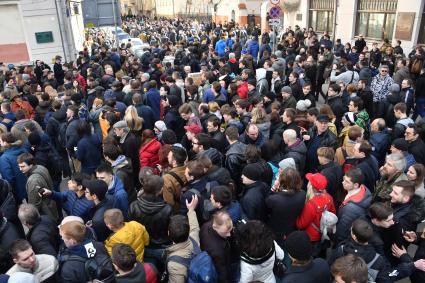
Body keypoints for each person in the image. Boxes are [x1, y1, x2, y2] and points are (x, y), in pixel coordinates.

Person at [296, 173, 336, 254]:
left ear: (311, 186)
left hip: (311, 237)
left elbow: (300, 224)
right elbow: (333, 213)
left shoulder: (311, 205)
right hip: (322, 232)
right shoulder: (329, 197)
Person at [129, 174, 172, 249]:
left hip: (143, 243)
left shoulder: (133, 206)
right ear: (160, 190)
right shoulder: (167, 209)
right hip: (162, 244)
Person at [265, 168, 306, 246]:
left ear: (282, 181)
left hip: (276, 228)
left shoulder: (274, 199)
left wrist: (274, 187)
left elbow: (267, 201)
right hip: (291, 226)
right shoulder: (303, 194)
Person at [165, 195, 200, 283]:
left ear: (168, 233)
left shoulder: (174, 265)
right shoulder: (194, 239)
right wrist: (191, 210)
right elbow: (194, 227)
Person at [17, 153, 58, 222]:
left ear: (31, 165)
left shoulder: (33, 180)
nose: (20, 169)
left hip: (46, 212)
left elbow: (34, 203)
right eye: (19, 166)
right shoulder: (40, 167)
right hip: (51, 204)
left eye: (23, 166)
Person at [200, 211, 239, 283]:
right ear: (215, 227)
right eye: (226, 232)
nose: (229, 235)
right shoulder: (217, 251)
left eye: (230, 230)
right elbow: (222, 274)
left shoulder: (206, 225)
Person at [335, 169, 372, 243]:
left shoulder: (351, 209)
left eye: (347, 182)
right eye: (343, 179)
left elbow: (342, 229)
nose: (343, 182)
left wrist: (337, 239)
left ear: (356, 185)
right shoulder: (363, 188)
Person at [0, 133, 28, 203]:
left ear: (5, 142)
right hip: (29, 185)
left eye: (0, 141)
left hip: (18, 192)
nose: (0, 143)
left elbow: (9, 178)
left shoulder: (4, 158)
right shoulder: (23, 149)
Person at [163, 145, 188, 213]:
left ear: (174, 162)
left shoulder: (167, 178)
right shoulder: (189, 169)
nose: (167, 156)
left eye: (169, 155)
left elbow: (169, 202)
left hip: (178, 209)